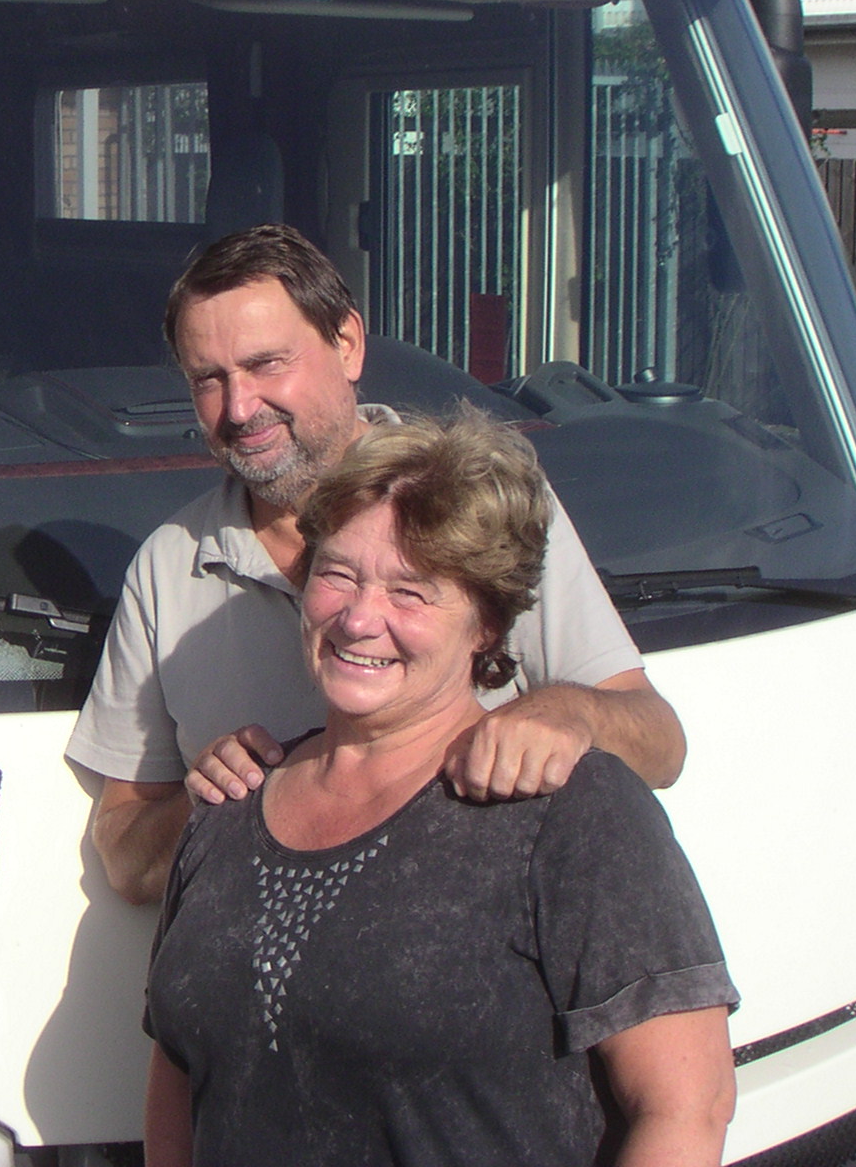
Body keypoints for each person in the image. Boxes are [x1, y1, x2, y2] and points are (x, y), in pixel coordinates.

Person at [143, 413, 737, 1167]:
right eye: (338, 574)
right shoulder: (228, 806)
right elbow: (176, 1080)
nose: (360, 618)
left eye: (411, 592)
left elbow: (688, 1108)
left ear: (487, 622)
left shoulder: (572, 813)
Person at [67, 224, 685, 903]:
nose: (239, 408)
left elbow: (659, 744)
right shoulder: (168, 567)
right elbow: (125, 857)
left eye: (267, 364)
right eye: (209, 380)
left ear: (348, 343)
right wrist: (209, 801)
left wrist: (570, 714)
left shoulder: (483, 503)